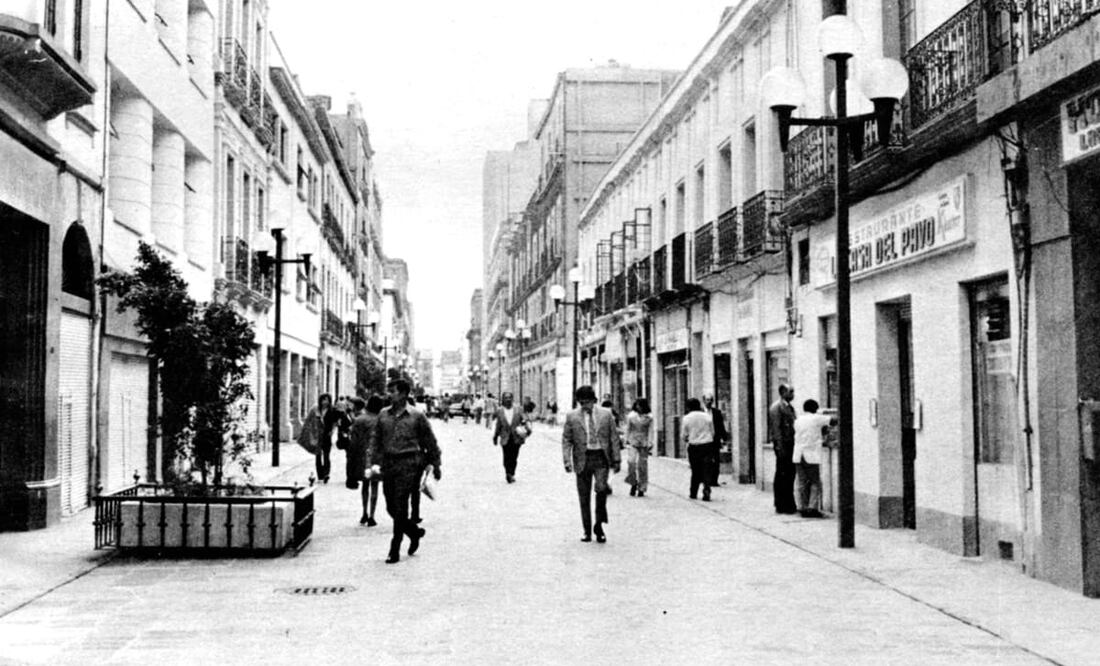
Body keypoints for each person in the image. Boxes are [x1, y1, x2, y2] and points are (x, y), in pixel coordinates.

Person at [370, 379, 442, 564]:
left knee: (401, 505)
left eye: (392, 391)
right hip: (388, 464)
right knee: (391, 507)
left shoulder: (417, 416)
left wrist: (436, 464)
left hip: (409, 464)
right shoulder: (383, 415)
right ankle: (413, 532)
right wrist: (373, 463)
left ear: (403, 394)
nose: (389, 394)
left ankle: (394, 549)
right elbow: (376, 441)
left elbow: (430, 441)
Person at [562, 385, 621, 543]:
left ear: (594, 400)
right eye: (581, 403)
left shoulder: (606, 415)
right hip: (583, 458)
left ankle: (599, 525)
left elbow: (613, 437)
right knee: (584, 496)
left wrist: (617, 459)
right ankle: (587, 530)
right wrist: (567, 460)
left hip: (601, 457)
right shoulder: (572, 416)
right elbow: (567, 439)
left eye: (587, 402)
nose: (584, 406)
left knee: (601, 489)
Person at [792, 399, 836, 518]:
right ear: (815, 409)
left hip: (798, 455)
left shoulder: (798, 420)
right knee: (815, 482)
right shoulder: (816, 418)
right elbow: (833, 421)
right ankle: (812, 508)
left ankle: (802, 507)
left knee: (802, 482)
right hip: (810, 454)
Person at [349, 396, 385, 526]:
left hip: (362, 456)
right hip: (377, 457)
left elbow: (353, 441)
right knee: (374, 485)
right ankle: (372, 515)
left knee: (365, 486)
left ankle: (363, 512)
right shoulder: (381, 420)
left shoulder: (359, 420)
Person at [768, 383, 798, 515]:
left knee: (789, 474)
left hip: (790, 444)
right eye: (790, 392)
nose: (793, 395)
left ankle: (788, 502)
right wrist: (780, 447)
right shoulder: (777, 408)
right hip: (783, 446)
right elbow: (776, 429)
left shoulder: (789, 407)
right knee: (782, 474)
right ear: (783, 392)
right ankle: (781, 503)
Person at [492, 392, 530, 483]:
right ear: (503, 400)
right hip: (505, 437)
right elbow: (498, 424)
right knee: (506, 457)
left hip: (516, 437)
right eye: (506, 398)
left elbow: (525, 419)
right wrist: (495, 436)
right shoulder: (499, 410)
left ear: (512, 399)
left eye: (510, 397)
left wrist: (526, 426)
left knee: (514, 456)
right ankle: (508, 473)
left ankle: (512, 473)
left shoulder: (519, 409)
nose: (508, 399)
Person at [682, 398, 715, 501]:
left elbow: (684, 435)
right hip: (707, 445)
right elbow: (712, 432)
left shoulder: (687, 418)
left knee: (695, 470)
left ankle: (693, 492)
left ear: (688, 407)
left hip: (694, 446)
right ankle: (706, 488)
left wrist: (687, 438)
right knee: (706, 468)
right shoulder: (707, 417)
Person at [297, 394, 334, 484]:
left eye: (327, 400)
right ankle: (320, 475)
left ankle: (326, 474)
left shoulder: (332, 410)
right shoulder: (315, 409)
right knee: (318, 455)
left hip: (326, 436)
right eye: (323, 400)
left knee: (326, 455)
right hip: (317, 435)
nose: (325, 402)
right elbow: (308, 421)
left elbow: (335, 422)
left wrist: (332, 431)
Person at [624, 398, 653, 497]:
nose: (638, 407)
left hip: (644, 443)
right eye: (637, 405)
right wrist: (626, 440)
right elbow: (628, 428)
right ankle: (633, 482)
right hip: (633, 441)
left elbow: (651, 430)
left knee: (643, 466)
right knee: (631, 462)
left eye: (640, 405)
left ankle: (642, 487)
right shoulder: (631, 416)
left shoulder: (649, 417)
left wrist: (650, 441)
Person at [703, 394, 729, 487]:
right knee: (706, 460)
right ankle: (706, 479)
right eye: (707, 400)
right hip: (704, 440)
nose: (709, 402)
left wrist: (724, 437)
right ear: (704, 401)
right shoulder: (701, 412)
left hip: (714, 440)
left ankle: (714, 480)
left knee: (716, 460)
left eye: (710, 400)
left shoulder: (717, 412)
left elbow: (720, 425)